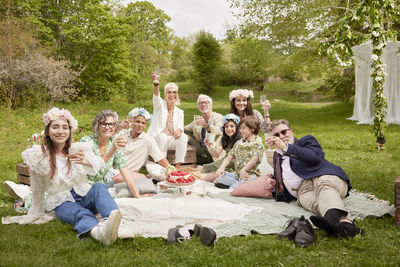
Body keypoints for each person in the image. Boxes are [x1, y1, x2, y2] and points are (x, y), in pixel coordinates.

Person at [12, 107, 121, 245]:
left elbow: (99, 164)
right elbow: (38, 188)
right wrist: (36, 210)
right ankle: (98, 233)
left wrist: (85, 161)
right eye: (55, 127)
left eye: (64, 127)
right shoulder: (39, 156)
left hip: (84, 195)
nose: (60, 131)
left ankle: (113, 223)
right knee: (79, 213)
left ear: (69, 131)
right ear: (48, 131)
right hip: (62, 202)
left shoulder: (78, 148)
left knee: (99, 187)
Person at [265, 119, 363, 240]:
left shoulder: (306, 140)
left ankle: (330, 221)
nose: (281, 136)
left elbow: (315, 157)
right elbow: (282, 175)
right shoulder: (277, 155)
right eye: (276, 135)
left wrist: (286, 147)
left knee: (324, 186)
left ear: (291, 131)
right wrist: (275, 183)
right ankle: (347, 227)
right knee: (312, 201)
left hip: (323, 175)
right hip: (303, 189)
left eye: (284, 132)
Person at [80, 110, 150, 198]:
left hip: (102, 185)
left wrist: (137, 195)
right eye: (103, 124)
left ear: (115, 126)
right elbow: (95, 167)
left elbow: (124, 170)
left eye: (111, 124)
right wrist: (112, 150)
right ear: (97, 125)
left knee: (137, 184)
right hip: (84, 186)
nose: (107, 127)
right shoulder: (87, 142)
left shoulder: (113, 143)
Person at [117, 107, 175, 182]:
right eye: (137, 122)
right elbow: (104, 142)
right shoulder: (122, 133)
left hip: (128, 174)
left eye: (143, 123)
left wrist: (173, 171)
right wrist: (119, 128)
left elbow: (161, 159)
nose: (140, 125)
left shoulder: (148, 140)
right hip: (113, 170)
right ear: (132, 122)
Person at [147, 73, 188, 168]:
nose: (172, 94)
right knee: (162, 136)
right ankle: (163, 166)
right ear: (165, 94)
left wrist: (179, 131)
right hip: (158, 140)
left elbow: (180, 128)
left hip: (171, 140)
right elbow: (156, 97)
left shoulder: (179, 112)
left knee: (184, 137)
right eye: (169, 92)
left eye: (174, 92)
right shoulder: (159, 106)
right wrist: (156, 84)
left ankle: (178, 167)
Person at [214, 116, 265, 189]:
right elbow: (229, 157)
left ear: (252, 129)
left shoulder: (258, 145)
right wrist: (221, 168)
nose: (241, 130)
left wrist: (244, 170)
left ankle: (234, 186)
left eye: (243, 128)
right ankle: (236, 185)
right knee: (219, 176)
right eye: (240, 128)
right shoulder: (239, 143)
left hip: (249, 175)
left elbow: (254, 160)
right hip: (237, 175)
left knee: (243, 181)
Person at [198, 114, 242, 182]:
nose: (229, 129)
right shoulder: (225, 138)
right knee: (198, 169)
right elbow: (217, 154)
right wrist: (211, 146)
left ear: (236, 127)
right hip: (221, 163)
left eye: (232, 126)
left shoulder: (240, 141)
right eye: (226, 127)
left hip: (230, 167)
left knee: (199, 176)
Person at [184, 94, 223, 165]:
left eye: (206, 102)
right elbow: (185, 128)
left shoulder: (218, 117)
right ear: (198, 106)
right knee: (184, 132)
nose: (203, 104)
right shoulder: (199, 119)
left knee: (187, 155)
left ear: (211, 105)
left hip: (211, 150)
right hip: (200, 147)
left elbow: (219, 130)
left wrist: (206, 126)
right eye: (200, 103)